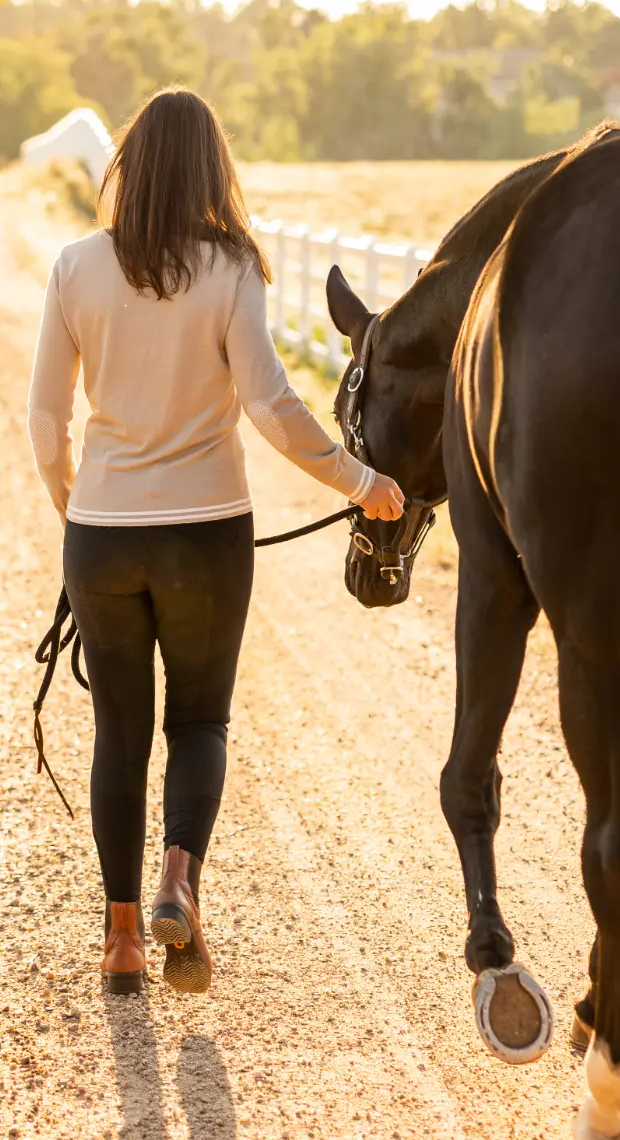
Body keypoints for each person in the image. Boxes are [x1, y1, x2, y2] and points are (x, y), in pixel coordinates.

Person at [26, 89, 404, 996]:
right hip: (204, 534)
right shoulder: (233, 266)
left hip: (103, 537)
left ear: (128, 164)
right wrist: (364, 484)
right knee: (197, 719)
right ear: (211, 171)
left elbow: (44, 418)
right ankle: (177, 881)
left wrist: (75, 504)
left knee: (118, 730)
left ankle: (120, 941)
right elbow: (271, 404)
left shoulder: (76, 265)